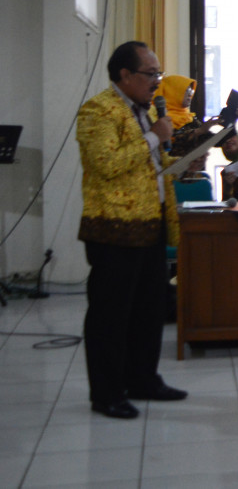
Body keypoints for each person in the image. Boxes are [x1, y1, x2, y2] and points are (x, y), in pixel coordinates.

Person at [76, 41, 188, 420]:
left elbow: (148, 164)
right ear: (125, 75)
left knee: (148, 310)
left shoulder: (144, 111)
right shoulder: (98, 110)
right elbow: (107, 163)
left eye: (158, 73)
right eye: (150, 74)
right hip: (114, 231)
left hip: (151, 224)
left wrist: (182, 162)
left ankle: (143, 380)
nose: (156, 81)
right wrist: (155, 135)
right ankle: (106, 394)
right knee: (111, 315)